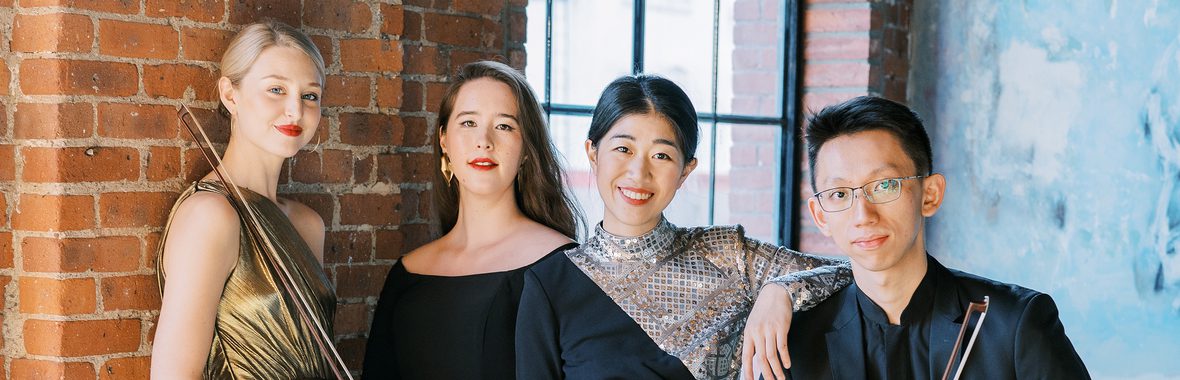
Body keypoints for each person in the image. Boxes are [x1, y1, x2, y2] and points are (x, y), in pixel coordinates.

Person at [515, 74, 852, 380]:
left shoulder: (728, 254)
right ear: (593, 153)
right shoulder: (549, 285)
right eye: (623, 148)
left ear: (685, 171)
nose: (639, 172)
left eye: (661, 156)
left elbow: (852, 273)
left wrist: (782, 290)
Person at [786, 96, 1090, 379]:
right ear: (821, 215)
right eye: (839, 194)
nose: (863, 214)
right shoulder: (793, 344)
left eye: (885, 185)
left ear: (930, 194)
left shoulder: (1016, 325)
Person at [362, 61, 582, 379]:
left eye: (505, 126)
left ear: (525, 151)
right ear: (444, 141)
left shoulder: (564, 265)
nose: (484, 141)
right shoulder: (406, 272)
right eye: (468, 123)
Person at [152, 21, 338, 379]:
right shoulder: (211, 215)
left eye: (309, 95)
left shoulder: (308, 223)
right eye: (275, 89)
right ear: (230, 95)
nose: (295, 112)